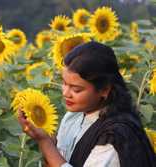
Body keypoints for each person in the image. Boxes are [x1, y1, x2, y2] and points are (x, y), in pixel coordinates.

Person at [17, 41, 156, 167]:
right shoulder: (73, 117)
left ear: (104, 90)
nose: (65, 93)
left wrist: (45, 142)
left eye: (76, 89)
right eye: (64, 83)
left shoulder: (116, 136)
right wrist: (48, 141)